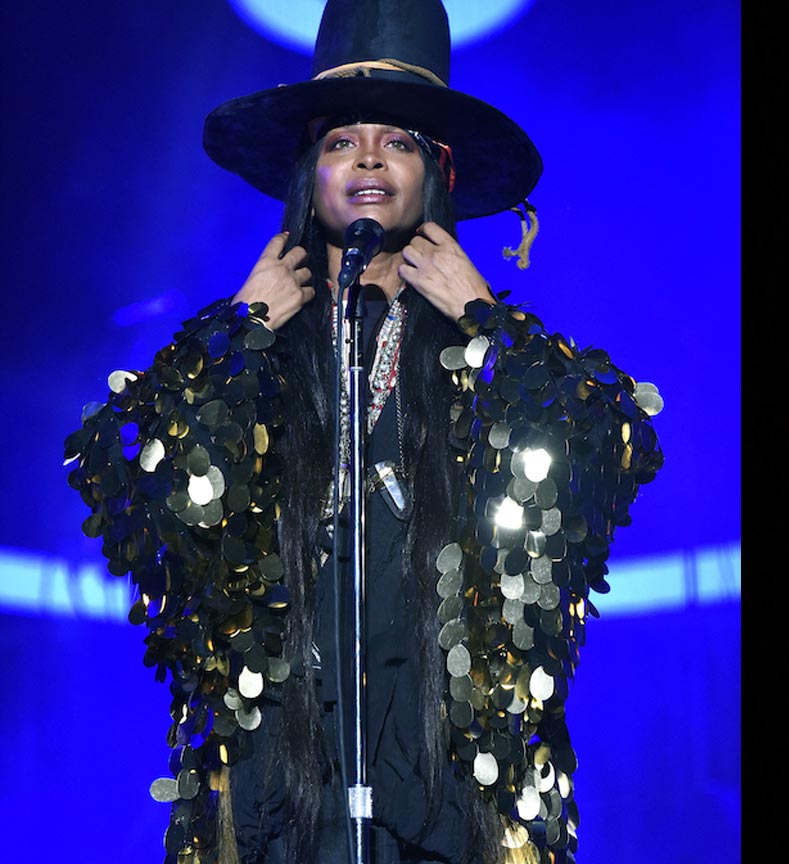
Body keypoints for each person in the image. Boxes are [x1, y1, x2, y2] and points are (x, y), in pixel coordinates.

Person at [63, 2, 661, 863]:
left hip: (449, 790)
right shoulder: (244, 341)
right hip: (276, 790)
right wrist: (239, 334)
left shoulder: (489, 344)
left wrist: (486, 322)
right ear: (310, 168)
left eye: (400, 140)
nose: (371, 156)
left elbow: (611, 458)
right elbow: (124, 483)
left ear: (437, 171)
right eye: (343, 139)